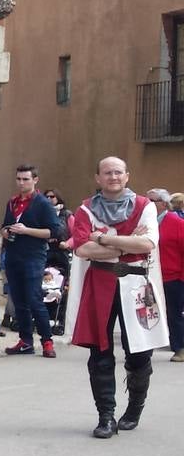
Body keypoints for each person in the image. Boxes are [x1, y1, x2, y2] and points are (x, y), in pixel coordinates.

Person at [65, 157, 165, 439]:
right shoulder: (86, 209)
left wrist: (103, 238)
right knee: (100, 351)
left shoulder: (144, 206)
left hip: (136, 285)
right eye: (107, 172)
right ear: (98, 178)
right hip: (100, 282)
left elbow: (147, 243)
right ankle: (106, 416)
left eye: (118, 172)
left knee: (140, 352)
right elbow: (82, 250)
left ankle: (133, 410)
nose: (113, 177)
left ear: (127, 176)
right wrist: (126, 243)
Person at [0, 164, 61, 358]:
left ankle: (47, 341)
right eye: (18, 179)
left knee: (34, 299)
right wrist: (6, 231)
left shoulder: (42, 203)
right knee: (19, 301)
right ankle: (26, 340)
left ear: (35, 180)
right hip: (13, 255)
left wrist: (26, 230)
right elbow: (5, 225)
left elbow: (54, 232)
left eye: (25, 179)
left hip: (33, 256)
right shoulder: (12, 202)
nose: (21, 183)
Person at [161, 192, 184, 363]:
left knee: (175, 313)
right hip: (156, 275)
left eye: (152, 200)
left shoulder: (176, 222)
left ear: (163, 203)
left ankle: (180, 348)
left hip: (175, 275)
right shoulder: (147, 223)